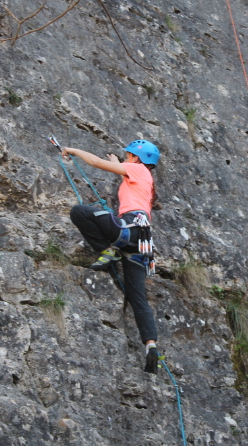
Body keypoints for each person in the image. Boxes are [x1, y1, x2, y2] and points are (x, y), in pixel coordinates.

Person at [62, 140, 161, 374]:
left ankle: (107, 250)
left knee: (80, 212)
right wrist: (118, 163)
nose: (125, 160)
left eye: (127, 156)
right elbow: (127, 182)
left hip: (128, 229)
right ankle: (151, 345)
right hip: (141, 244)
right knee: (138, 299)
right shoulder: (142, 177)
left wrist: (73, 149)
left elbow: (96, 163)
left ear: (136, 159)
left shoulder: (137, 169)